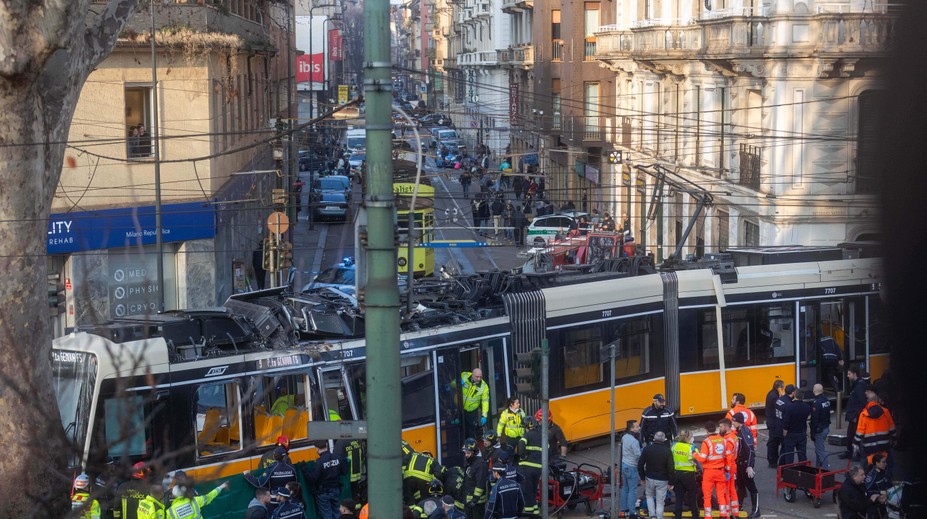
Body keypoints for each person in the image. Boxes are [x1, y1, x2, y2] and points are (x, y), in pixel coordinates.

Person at [693, 421, 730, 519]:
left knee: (707, 496)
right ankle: (723, 515)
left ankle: (708, 516)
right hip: (720, 471)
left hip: (709, 472)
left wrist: (694, 454)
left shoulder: (707, 442)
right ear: (715, 429)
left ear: (706, 430)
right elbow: (727, 456)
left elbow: (702, 458)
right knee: (721, 495)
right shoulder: (723, 440)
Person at [854, 385, 896, 469]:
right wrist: (894, 439)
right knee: (885, 465)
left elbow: (860, 432)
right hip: (884, 446)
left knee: (868, 467)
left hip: (869, 448)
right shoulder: (885, 412)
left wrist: (855, 443)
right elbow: (892, 428)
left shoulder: (864, 414)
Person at [304, 440, 347, 519]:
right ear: (326, 445)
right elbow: (344, 472)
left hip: (323, 493)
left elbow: (313, 478)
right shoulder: (337, 458)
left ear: (316, 449)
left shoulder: (319, 462)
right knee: (337, 513)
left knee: (327, 515)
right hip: (336, 489)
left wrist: (305, 470)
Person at [638, 431, 675, 519]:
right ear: (664, 439)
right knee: (660, 501)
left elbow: (640, 464)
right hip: (662, 479)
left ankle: (652, 515)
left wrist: (642, 477)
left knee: (649, 496)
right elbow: (671, 468)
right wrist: (671, 482)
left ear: (654, 438)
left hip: (649, 477)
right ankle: (659, 517)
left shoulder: (647, 449)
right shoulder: (667, 451)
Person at [731, 414, 759, 518]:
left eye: (734, 421)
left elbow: (750, 450)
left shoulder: (745, 432)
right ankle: (739, 506)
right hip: (740, 464)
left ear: (739, 421)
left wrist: (750, 466)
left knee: (751, 487)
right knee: (740, 485)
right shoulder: (739, 431)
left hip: (745, 464)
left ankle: (756, 510)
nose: (733, 423)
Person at [841, 367, 870, 460]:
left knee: (855, 435)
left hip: (856, 416)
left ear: (854, 374)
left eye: (849, 374)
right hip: (854, 415)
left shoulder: (859, 386)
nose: (847, 376)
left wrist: (857, 415)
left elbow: (863, 402)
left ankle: (857, 454)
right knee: (850, 435)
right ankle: (851, 452)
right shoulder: (856, 385)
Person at [516, 416, 543, 516]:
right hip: (538, 468)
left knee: (527, 491)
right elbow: (548, 449)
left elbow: (521, 444)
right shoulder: (541, 436)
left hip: (527, 468)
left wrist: (523, 456)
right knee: (533, 490)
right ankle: (535, 512)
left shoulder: (526, 436)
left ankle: (529, 513)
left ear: (527, 426)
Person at [670, 429, 699, 519]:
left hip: (677, 474)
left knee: (679, 497)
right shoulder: (692, 447)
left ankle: (678, 516)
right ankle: (695, 515)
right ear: (688, 438)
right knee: (692, 496)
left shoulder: (674, 446)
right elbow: (699, 459)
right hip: (688, 475)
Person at [782, 385, 811, 464]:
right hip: (801, 432)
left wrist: (785, 432)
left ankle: (789, 470)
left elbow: (786, 421)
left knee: (789, 455)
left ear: (795, 394)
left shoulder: (790, 407)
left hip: (791, 433)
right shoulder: (807, 407)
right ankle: (803, 470)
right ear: (803, 396)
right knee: (802, 454)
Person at [620, 419, 643, 518]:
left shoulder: (625, 437)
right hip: (632, 467)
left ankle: (623, 509)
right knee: (632, 490)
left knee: (625, 488)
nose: (639, 428)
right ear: (632, 428)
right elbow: (638, 456)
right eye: (637, 427)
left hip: (624, 465)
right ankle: (632, 511)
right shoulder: (634, 441)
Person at [334, 437, 367, 505]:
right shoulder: (358, 439)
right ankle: (357, 506)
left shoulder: (340, 442)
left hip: (347, 475)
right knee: (355, 491)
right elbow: (362, 455)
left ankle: (352, 508)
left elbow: (336, 459)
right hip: (357, 473)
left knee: (348, 494)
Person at [460, 369, 490, 442]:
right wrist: (457, 383)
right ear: (472, 375)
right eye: (477, 377)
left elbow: (485, 401)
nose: (479, 379)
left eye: (480, 377)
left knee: (471, 431)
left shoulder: (484, 386)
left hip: (472, 412)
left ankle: (471, 448)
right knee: (461, 429)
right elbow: (452, 382)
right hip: (460, 409)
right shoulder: (464, 375)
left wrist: (484, 415)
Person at [462, 438, 488, 519]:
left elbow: (480, 484)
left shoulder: (480, 465)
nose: (466, 455)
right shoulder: (470, 461)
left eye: (468, 453)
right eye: (465, 453)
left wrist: (474, 500)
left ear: (474, 452)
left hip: (477, 503)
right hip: (469, 501)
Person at [719, 419, 740, 517]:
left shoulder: (728, 440)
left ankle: (727, 514)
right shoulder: (734, 437)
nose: (720, 428)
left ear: (726, 427)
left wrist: (726, 468)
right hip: (733, 466)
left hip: (728, 467)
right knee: (732, 490)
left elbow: (728, 456)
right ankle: (735, 512)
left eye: (721, 426)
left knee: (726, 491)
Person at [810, 383, 833, 470]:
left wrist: (812, 432)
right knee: (818, 449)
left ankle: (825, 468)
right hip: (826, 427)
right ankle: (818, 467)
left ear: (814, 390)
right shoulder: (826, 400)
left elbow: (814, 419)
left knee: (820, 450)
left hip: (819, 429)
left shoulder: (816, 402)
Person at [765, 379, 786, 467]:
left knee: (773, 442)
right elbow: (780, 407)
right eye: (782, 387)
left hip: (771, 422)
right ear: (779, 387)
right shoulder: (775, 396)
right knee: (773, 443)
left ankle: (773, 460)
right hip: (774, 423)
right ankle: (773, 461)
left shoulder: (771, 393)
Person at [864, 454, 890, 518]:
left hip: (883, 503)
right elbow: (866, 491)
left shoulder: (883, 471)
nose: (886, 464)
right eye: (883, 462)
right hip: (874, 506)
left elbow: (887, 483)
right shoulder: (872, 475)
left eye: (885, 462)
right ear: (877, 463)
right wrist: (880, 493)